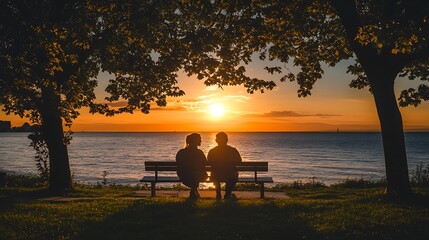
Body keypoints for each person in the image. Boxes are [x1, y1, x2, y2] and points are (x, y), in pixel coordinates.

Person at [207, 132, 242, 199]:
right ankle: (228, 193)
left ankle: (218, 193)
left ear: (216, 141)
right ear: (227, 140)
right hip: (230, 176)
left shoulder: (212, 151)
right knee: (233, 175)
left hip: (216, 176)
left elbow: (208, 162)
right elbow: (239, 162)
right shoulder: (233, 150)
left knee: (215, 174)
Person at [176, 133, 208, 199]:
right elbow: (205, 163)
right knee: (196, 175)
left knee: (194, 175)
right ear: (195, 141)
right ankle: (193, 192)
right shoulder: (199, 153)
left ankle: (193, 192)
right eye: (199, 139)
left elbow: (179, 164)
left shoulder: (181, 152)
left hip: (184, 176)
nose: (201, 141)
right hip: (198, 176)